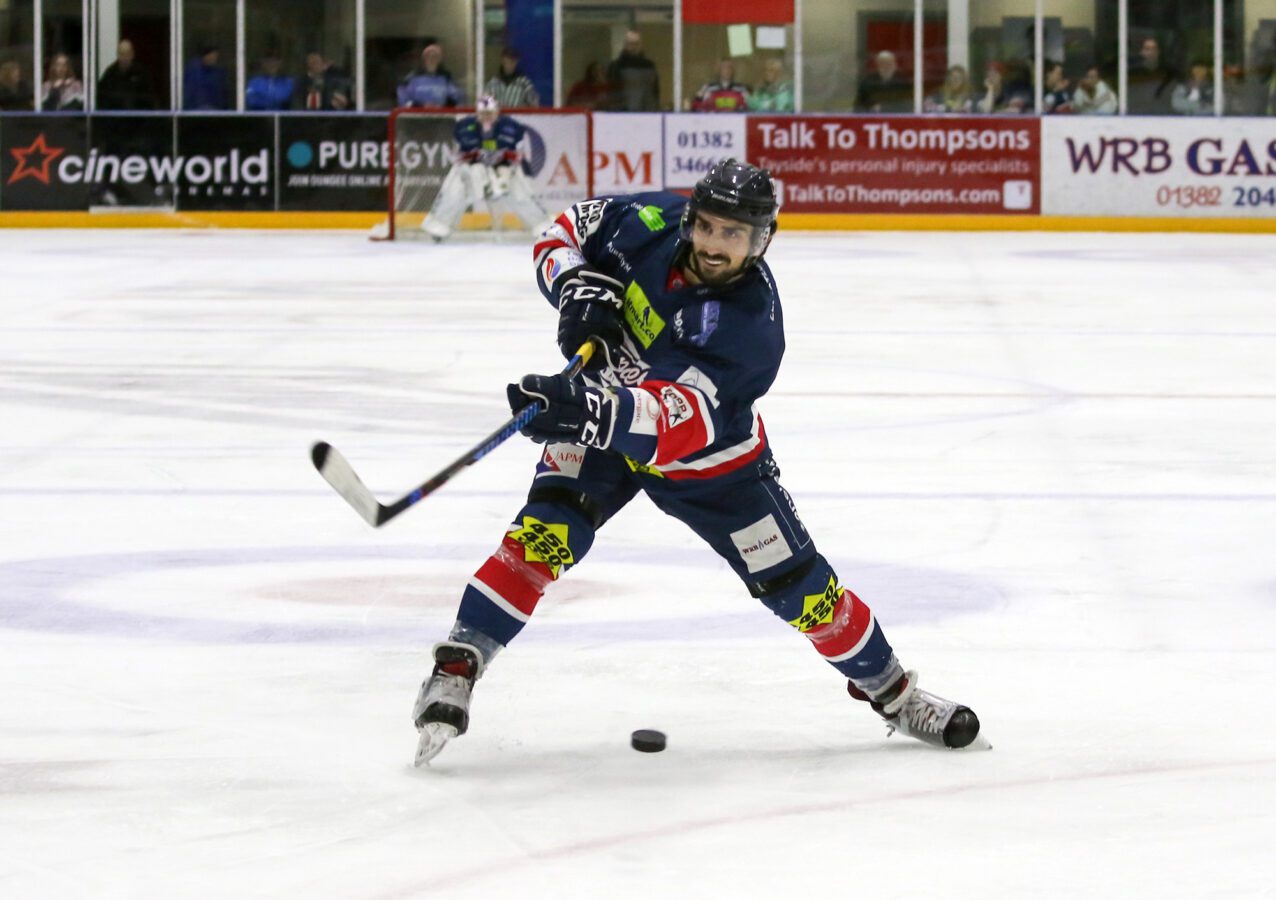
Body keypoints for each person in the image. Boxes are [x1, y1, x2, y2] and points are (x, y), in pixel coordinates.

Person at [410, 158, 986, 765]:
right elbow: (559, 232)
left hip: (712, 467)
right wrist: (573, 287)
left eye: (733, 235)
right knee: (543, 535)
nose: (714, 244)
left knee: (801, 591)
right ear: (690, 218)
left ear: (762, 240)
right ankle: (457, 666)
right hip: (602, 424)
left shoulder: (750, 328)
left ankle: (894, 694)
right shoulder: (646, 221)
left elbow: (674, 422)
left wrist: (585, 411)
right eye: (708, 227)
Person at [421, 94, 552, 242]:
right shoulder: (463, 127)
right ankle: (439, 226)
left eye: (490, 113)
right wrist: (473, 157)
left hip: (504, 169)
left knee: (521, 189)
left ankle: (544, 227)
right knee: (456, 180)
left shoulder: (512, 127)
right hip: (474, 169)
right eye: (483, 113)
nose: (487, 117)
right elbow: (457, 157)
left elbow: (520, 155)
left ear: (497, 112)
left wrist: (503, 157)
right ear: (477, 113)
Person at [606, 29, 659, 111]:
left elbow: (655, 91)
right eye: (631, 44)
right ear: (625, 45)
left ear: (641, 45)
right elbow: (612, 92)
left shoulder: (649, 66)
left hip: (647, 112)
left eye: (636, 44)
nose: (634, 47)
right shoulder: (616, 66)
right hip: (623, 112)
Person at [397, 42, 462, 108]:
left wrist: (441, 106)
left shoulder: (447, 77)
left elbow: (455, 98)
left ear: (439, 59)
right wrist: (420, 106)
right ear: (424, 58)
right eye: (429, 56)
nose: (431, 59)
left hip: (442, 115)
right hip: (417, 116)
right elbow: (404, 99)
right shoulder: (412, 78)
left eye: (435, 56)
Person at [96, 39, 156, 110]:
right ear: (117, 54)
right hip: (114, 117)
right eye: (122, 54)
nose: (125, 57)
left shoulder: (141, 73)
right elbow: (102, 97)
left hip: (137, 117)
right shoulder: (110, 73)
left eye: (127, 53)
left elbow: (150, 97)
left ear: (132, 54)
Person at [1127, 36, 1176, 115]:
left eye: (1154, 49)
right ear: (1141, 51)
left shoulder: (1169, 73)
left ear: (1158, 52)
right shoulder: (1132, 74)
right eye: (1147, 49)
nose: (1151, 52)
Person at [183, 45, 228, 110]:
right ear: (206, 55)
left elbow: (222, 93)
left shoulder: (217, 72)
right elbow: (190, 92)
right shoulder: (194, 70)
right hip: (196, 110)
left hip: (214, 110)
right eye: (213, 56)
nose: (214, 59)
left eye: (216, 57)